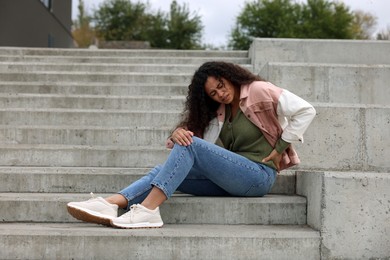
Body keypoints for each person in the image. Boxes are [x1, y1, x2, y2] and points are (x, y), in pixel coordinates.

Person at [67, 61, 316, 229]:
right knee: (162, 170)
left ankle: (148, 210)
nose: (220, 94)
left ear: (229, 77)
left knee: (189, 145)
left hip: (258, 175)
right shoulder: (219, 112)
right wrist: (177, 133)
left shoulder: (259, 90)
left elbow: (306, 110)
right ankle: (111, 204)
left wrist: (281, 146)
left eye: (221, 85)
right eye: (213, 93)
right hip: (231, 179)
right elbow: (188, 148)